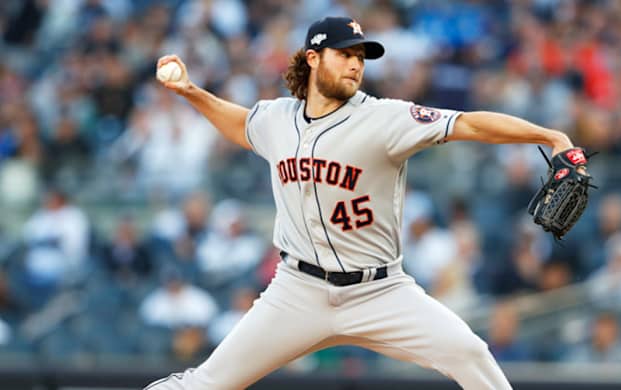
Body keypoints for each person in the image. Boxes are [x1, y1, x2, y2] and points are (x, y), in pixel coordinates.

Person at [146, 16, 578, 390]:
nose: (355, 63)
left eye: (361, 56)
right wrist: (190, 91)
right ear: (313, 58)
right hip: (298, 291)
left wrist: (550, 137)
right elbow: (241, 124)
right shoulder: (276, 119)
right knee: (206, 383)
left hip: (380, 291)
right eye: (344, 53)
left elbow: (470, 125)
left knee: (470, 354)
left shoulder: (385, 117)